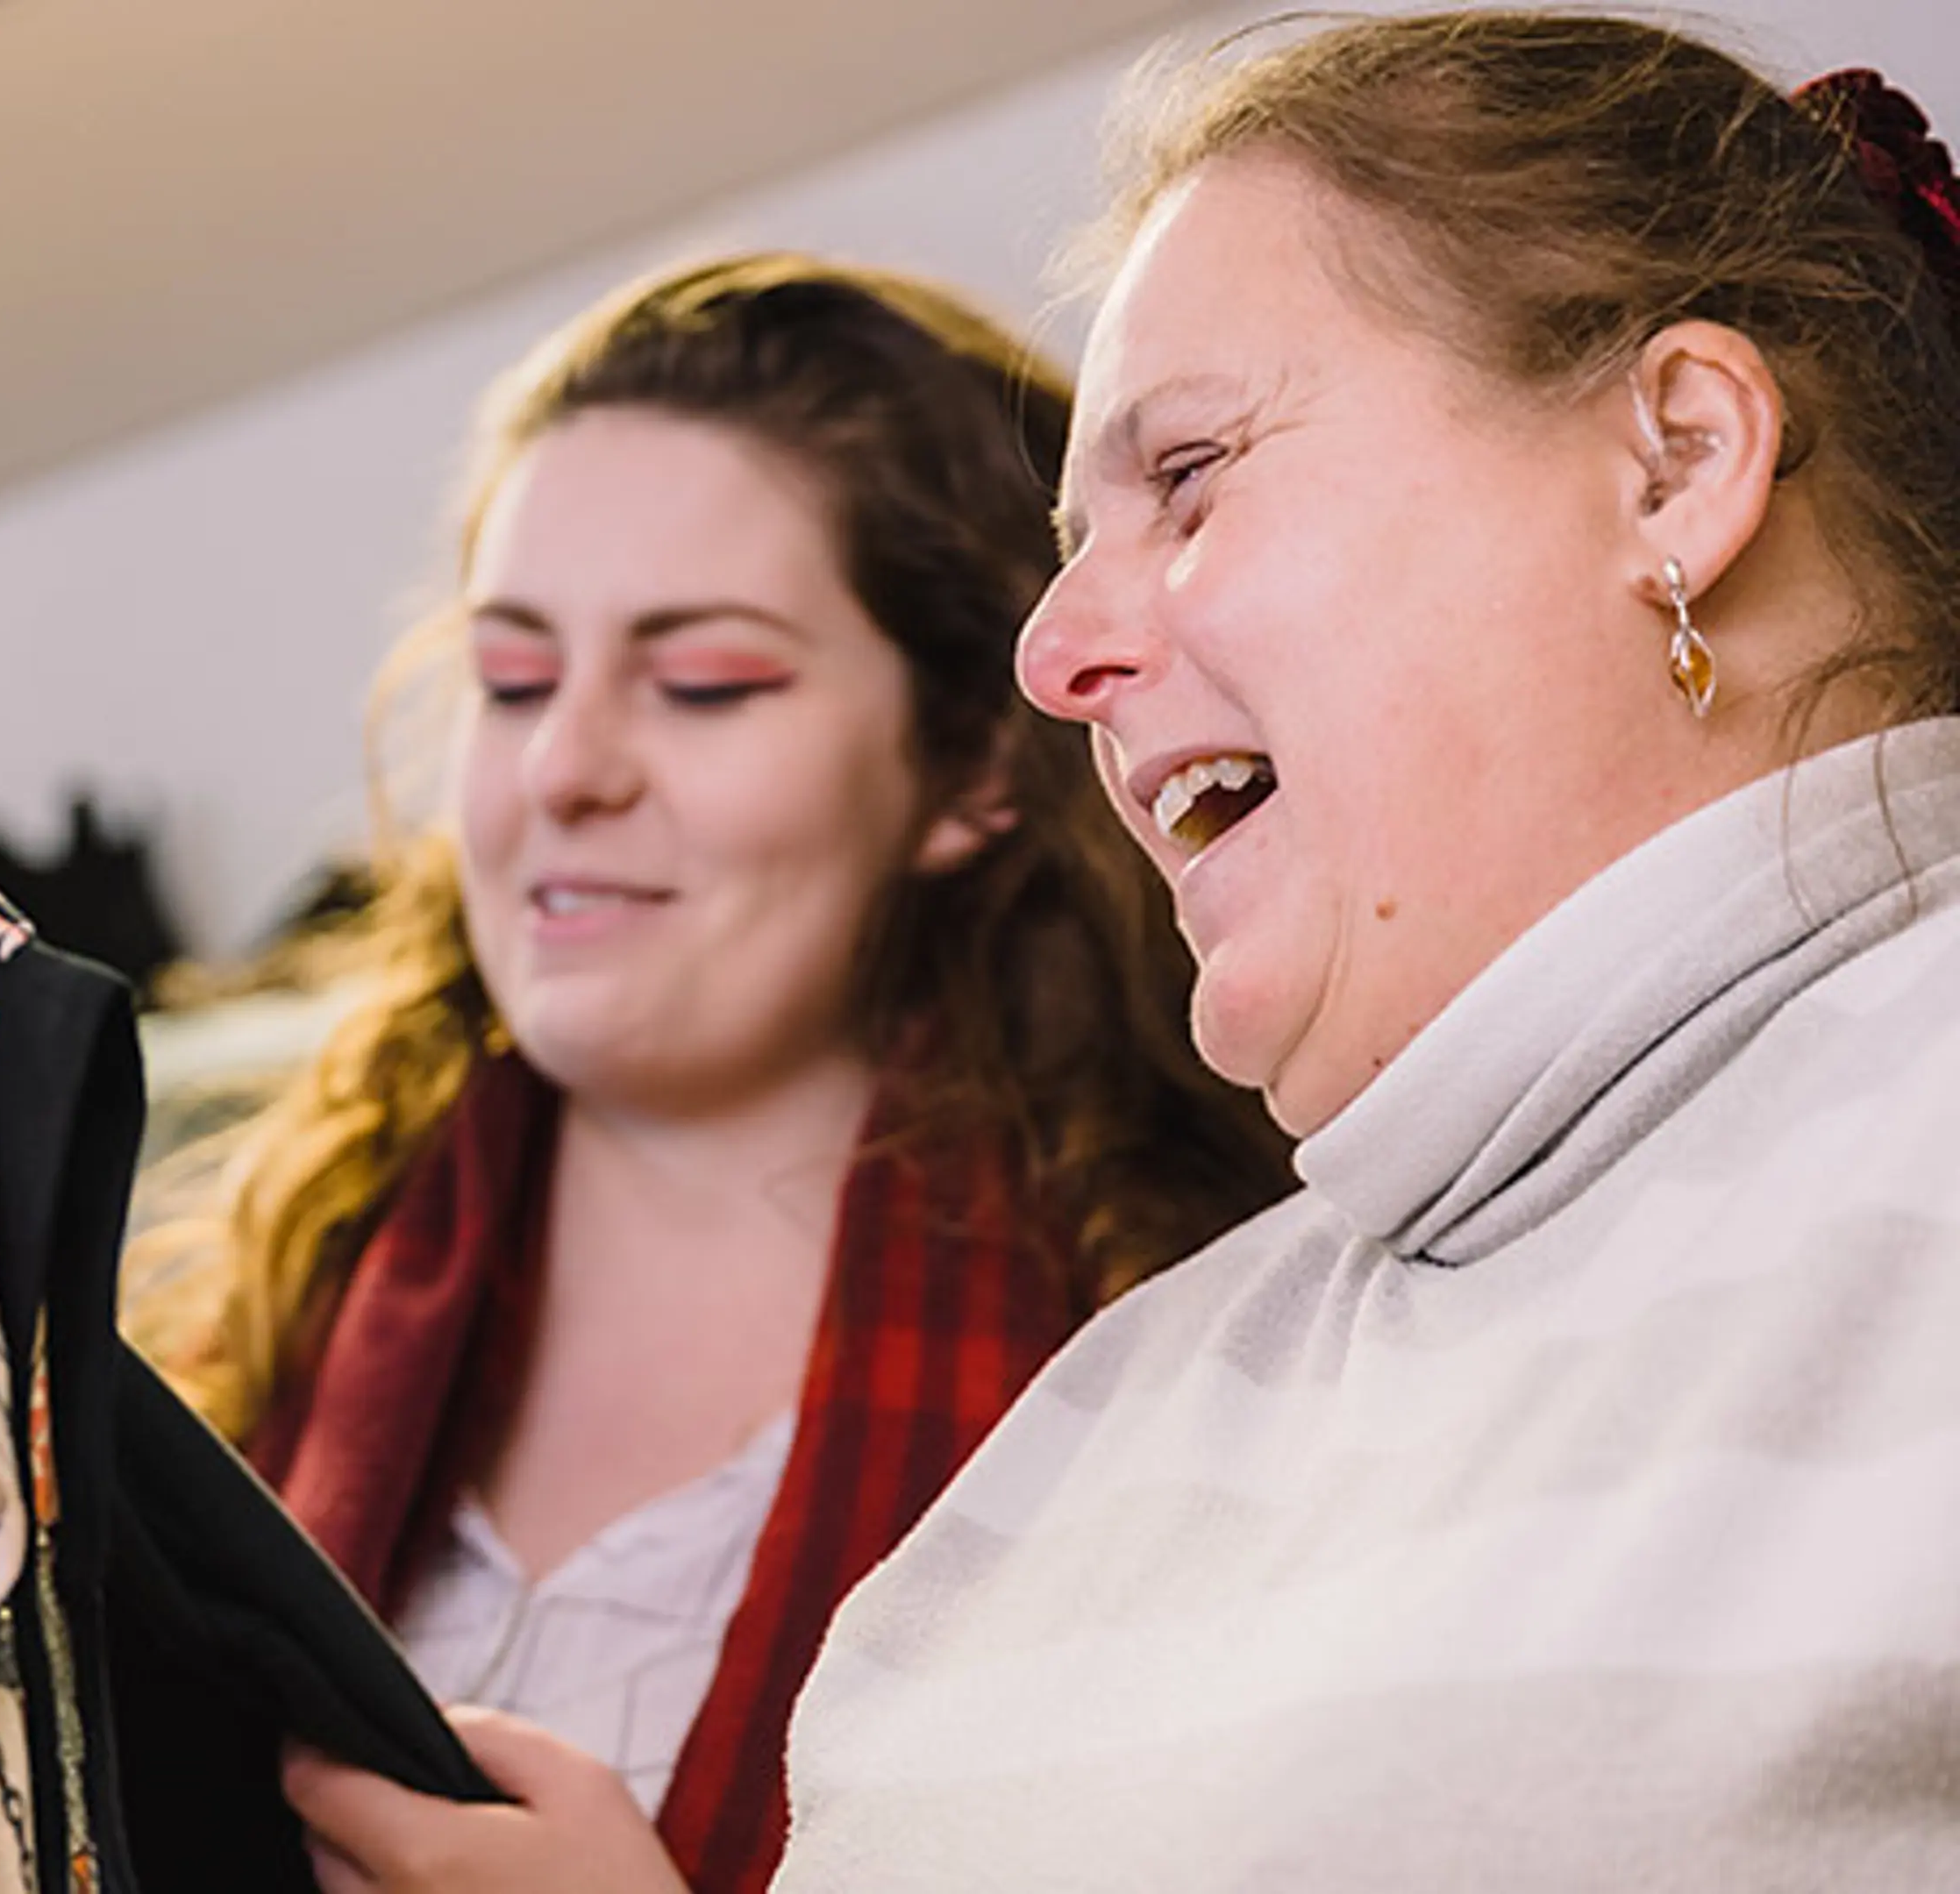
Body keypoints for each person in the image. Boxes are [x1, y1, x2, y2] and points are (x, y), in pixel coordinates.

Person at [285, 12, 1960, 1890]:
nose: (1053, 652)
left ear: (1677, 460)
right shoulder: (1098, 1423)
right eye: (513, 679)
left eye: (1192, 475)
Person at [124, 253, 1292, 1892]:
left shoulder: (1199, 1395)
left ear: (972, 763)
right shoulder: (251, 1349)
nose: (567, 768)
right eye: (514, 682)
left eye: (704, 685)